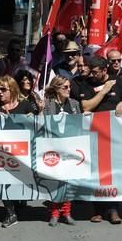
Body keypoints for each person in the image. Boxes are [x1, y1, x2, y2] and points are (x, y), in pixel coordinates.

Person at [81, 56, 122, 224]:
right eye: (91, 71)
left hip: (115, 135)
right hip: (94, 134)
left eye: (95, 72)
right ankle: (98, 211)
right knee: (96, 172)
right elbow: (86, 106)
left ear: (104, 70)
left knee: (114, 173)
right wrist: (103, 91)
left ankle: (114, 209)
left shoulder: (118, 82)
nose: (92, 74)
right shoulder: (87, 84)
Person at [0, 75, 36, 228]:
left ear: (12, 90)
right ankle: (10, 212)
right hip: (1, 153)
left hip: (21, 152)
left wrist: (31, 118)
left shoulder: (25, 105)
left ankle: (20, 203)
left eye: (3, 89)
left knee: (19, 181)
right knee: (3, 181)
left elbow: (36, 126)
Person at [42, 76, 81, 226]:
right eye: (64, 87)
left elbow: (79, 124)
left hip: (70, 147)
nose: (68, 89)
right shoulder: (47, 105)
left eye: (69, 87)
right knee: (55, 181)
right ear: (56, 88)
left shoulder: (74, 104)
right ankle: (54, 213)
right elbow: (42, 123)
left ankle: (67, 212)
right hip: (52, 147)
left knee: (69, 182)